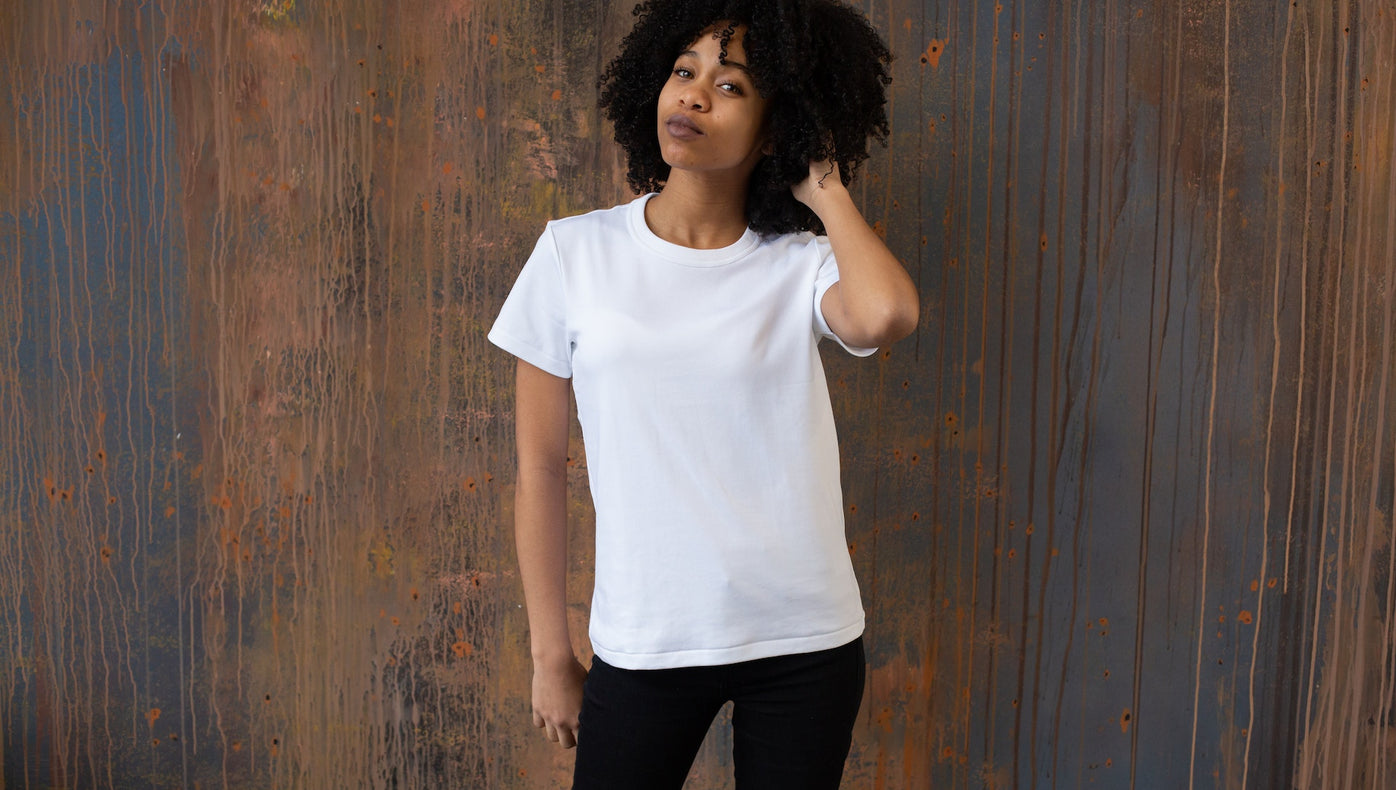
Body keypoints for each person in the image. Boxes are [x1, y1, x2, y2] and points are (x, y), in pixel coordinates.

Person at [487, 0, 918, 786]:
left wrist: (824, 185)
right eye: (684, 71)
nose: (692, 94)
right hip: (648, 640)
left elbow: (887, 314)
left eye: (731, 86)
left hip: (804, 640)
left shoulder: (801, 261)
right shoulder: (573, 253)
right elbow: (541, 469)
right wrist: (551, 654)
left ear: (775, 129)